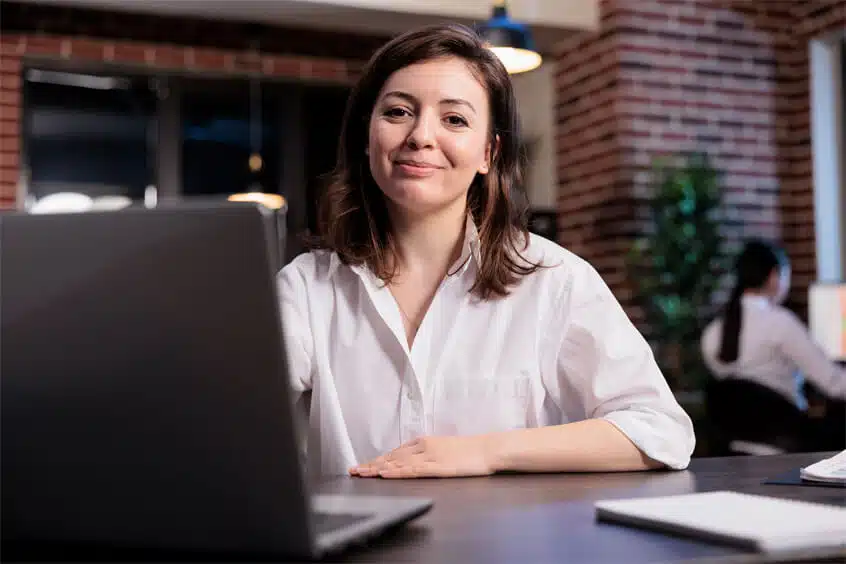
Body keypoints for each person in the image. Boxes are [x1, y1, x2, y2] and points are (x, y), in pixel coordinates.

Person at [278, 23, 695, 479]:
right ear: (367, 136)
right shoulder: (305, 287)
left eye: (454, 119)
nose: (421, 136)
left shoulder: (553, 278)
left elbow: (660, 430)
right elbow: (227, 419)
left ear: (488, 154)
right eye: (398, 112)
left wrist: (487, 453)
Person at [701, 240, 846, 411]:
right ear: (774, 276)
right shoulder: (780, 324)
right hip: (791, 433)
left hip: (738, 436)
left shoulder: (712, 333)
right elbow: (832, 382)